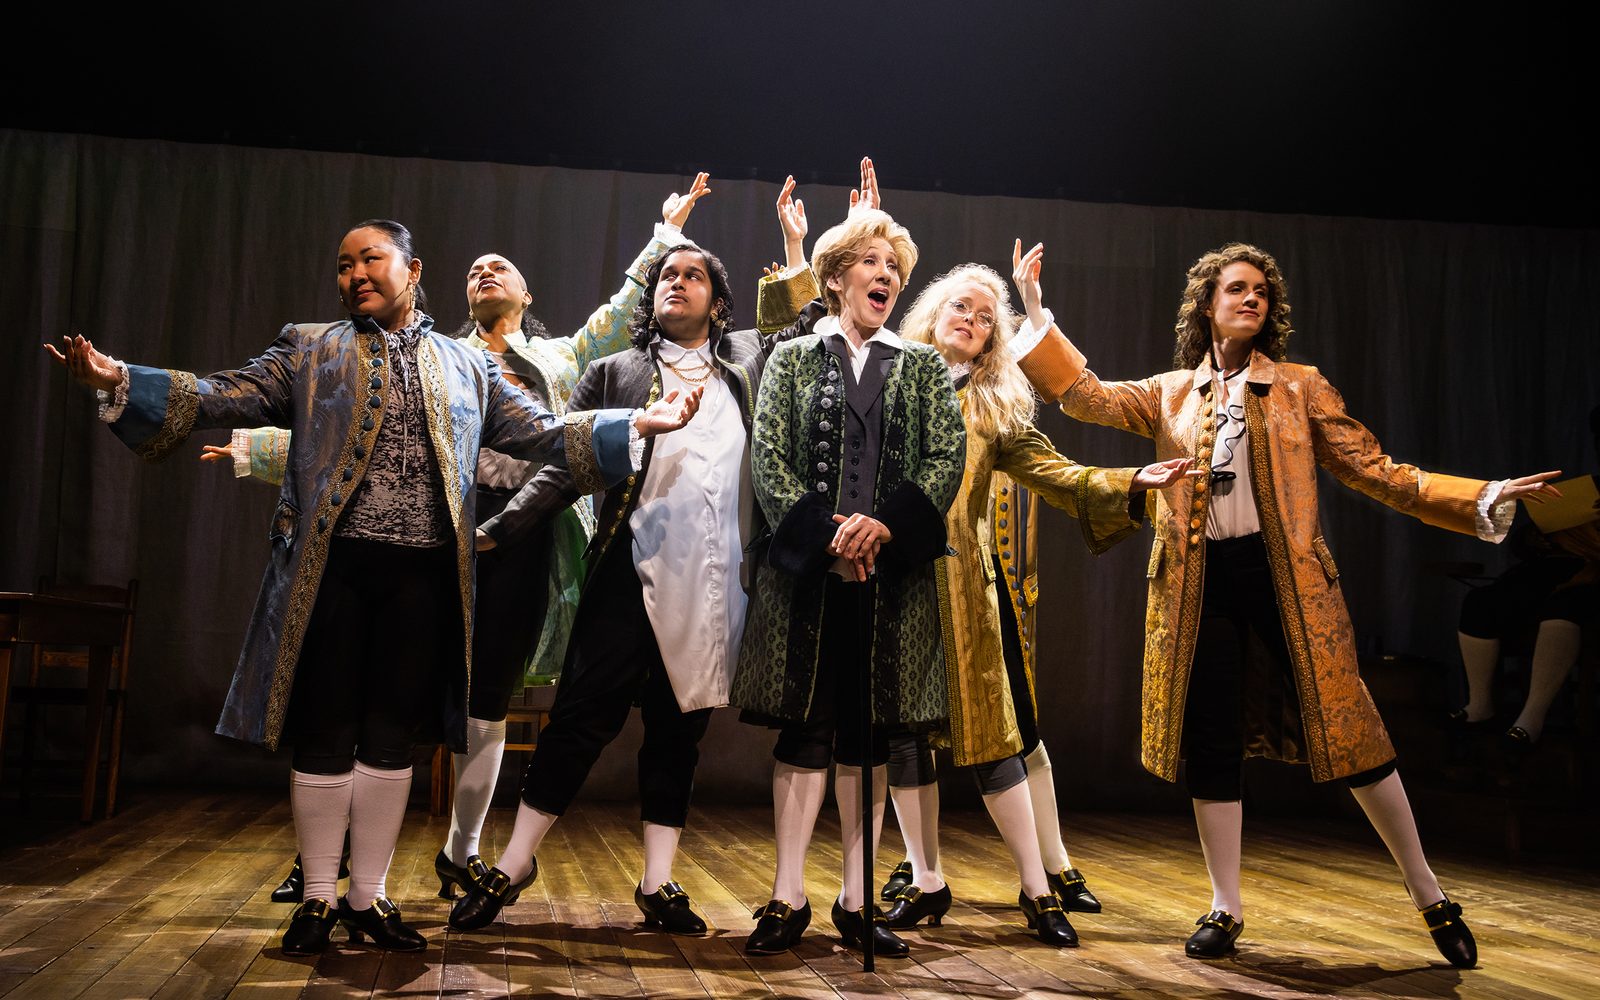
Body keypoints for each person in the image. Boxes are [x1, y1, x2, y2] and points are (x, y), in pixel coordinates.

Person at [45, 219, 700, 957]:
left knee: (392, 742)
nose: (354, 273)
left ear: (411, 268)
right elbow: (223, 392)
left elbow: (542, 431)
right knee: (325, 735)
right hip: (336, 571)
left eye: (370, 259)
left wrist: (635, 423)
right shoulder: (311, 348)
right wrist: (119, 382)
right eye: (344, 264)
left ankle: (369, 896)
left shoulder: (464, 363)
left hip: (423, 576)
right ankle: (320, 897)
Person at [1008, 239, 1560, 966]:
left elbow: (1380, 473)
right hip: (1201, 583)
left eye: (1261, 292)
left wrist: (1482, 495)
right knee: (1212, 742)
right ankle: (1224, 906)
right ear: (1207, 304)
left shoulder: (1300, 386)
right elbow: (1085, 395)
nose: (1251, 299)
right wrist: (1035, 307)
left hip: (1287, 583)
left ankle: (1431, 896)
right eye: (1236, 288)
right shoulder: (1173, 392)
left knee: (1352, 735)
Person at [202, 177, 713, 905]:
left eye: (502, 267)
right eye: (475, 268)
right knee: (384, 693)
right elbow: (353, 435)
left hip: (525, 533)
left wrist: (664, 235)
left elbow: (616, 319)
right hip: (441, 530)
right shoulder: (438, 355)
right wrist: (254, 450)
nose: (486, 272)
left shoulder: (564, 358)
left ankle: (459, 851)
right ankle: (329, 861)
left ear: (529, 296)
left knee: (484, 699)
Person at [877, 261, 1196, 947]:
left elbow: (1058, 474)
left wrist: (1131, 479)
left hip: (965, 592)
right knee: (903, 741)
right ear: (933, 313)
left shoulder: (994, 410)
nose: (971, 320)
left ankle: (1038, 888)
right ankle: (927, 880)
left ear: (993, 340)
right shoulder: (884, 384)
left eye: (986, 317)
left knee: (995, 743)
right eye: (961, 307)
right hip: (896, 591)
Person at [731, 188, 967, 960]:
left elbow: (943, 458)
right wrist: (829, 537)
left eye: (893, 264)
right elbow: (769, 458)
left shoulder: (924, 366)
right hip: (811, 578)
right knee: (807, 730)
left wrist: (885, 524)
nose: (885, 273)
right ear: (834, 277)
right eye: (870, 260)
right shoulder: (794, 360)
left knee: (869, 738)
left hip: (890, 581)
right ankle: (786, 894)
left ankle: (857, 900)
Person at [1455, 404, 1599, 752]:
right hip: (1552, 568)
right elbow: (1526, 538)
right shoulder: (1590, 486)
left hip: (1591, 580)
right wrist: (1536, 538)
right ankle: (1480, 706)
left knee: (1564, 607)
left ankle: (1530, 719)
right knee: (1482, 602)